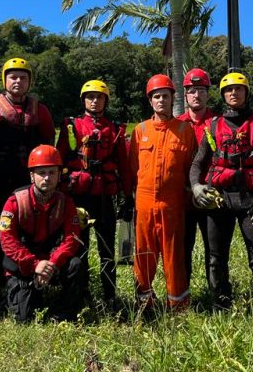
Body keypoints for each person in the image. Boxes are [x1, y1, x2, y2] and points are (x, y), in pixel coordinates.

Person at [189, 72, 253, 315]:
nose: (233, 93)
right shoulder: (214, 126)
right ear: (222, 95)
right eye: (229, 90)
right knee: (216, 258)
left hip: (252, 201)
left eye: (239, 89)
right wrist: (197, 187)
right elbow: (198, 164)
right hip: (220, 200)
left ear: (246, 93)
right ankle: (221, 306)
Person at [0, 58, 55, 311]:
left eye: (23, 77)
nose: (18, 81)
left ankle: (29, 286)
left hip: (28, 184)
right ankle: (2, 289)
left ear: (29, 81)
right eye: (13, 77)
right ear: (5, 80)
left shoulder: (39, 110)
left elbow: (48, 146)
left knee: (31, 235)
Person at [56, 80, 131, 310]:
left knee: (107, 250)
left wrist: (129, 197)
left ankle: (110, 297)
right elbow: (59, 159)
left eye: (99, 97)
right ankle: (82, 295)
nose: (95, 100)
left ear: (106, 101)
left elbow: (124, 166)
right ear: (83, 100)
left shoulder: (115, 129)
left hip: (104, 197)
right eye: (90, 97)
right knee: (79, 249)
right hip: (78, 197)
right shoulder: (72, 126)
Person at [129, 74, 197, 311]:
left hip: (173, 203)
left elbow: (191, 168)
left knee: (173, 256)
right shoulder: (140, 131)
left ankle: (177, 307)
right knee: (143, 254)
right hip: (145, 202)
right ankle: (144, 304)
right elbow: (133, 168)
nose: (161, 100)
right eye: (156, 96)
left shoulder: (185, 130)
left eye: (165, 96)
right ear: (150, 101)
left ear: (172, 99)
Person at [0, 144, 84, 323]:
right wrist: (34, 265)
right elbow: (8, 241)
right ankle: (27, 295)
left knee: (76, 264)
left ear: (59, 175)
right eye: (42, 173)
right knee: (24, 318)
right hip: (24, 263)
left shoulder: (65, 203)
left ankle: (65, 313)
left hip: (52, 261)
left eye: (52, 173)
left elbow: (72, 238)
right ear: (32, 176)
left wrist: (52, 264)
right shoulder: (15, 202)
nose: (47, 178)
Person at [177, 68, 216, 287]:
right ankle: (183, 295)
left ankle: (216, 294)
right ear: (186, 95)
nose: (196, 95)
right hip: (184, 198)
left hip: (211, 196)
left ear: (207, 94)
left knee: (214, 250)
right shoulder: (178, 124)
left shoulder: (218, 123)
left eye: (200, 90)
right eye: (192, 91)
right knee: (183, 249)